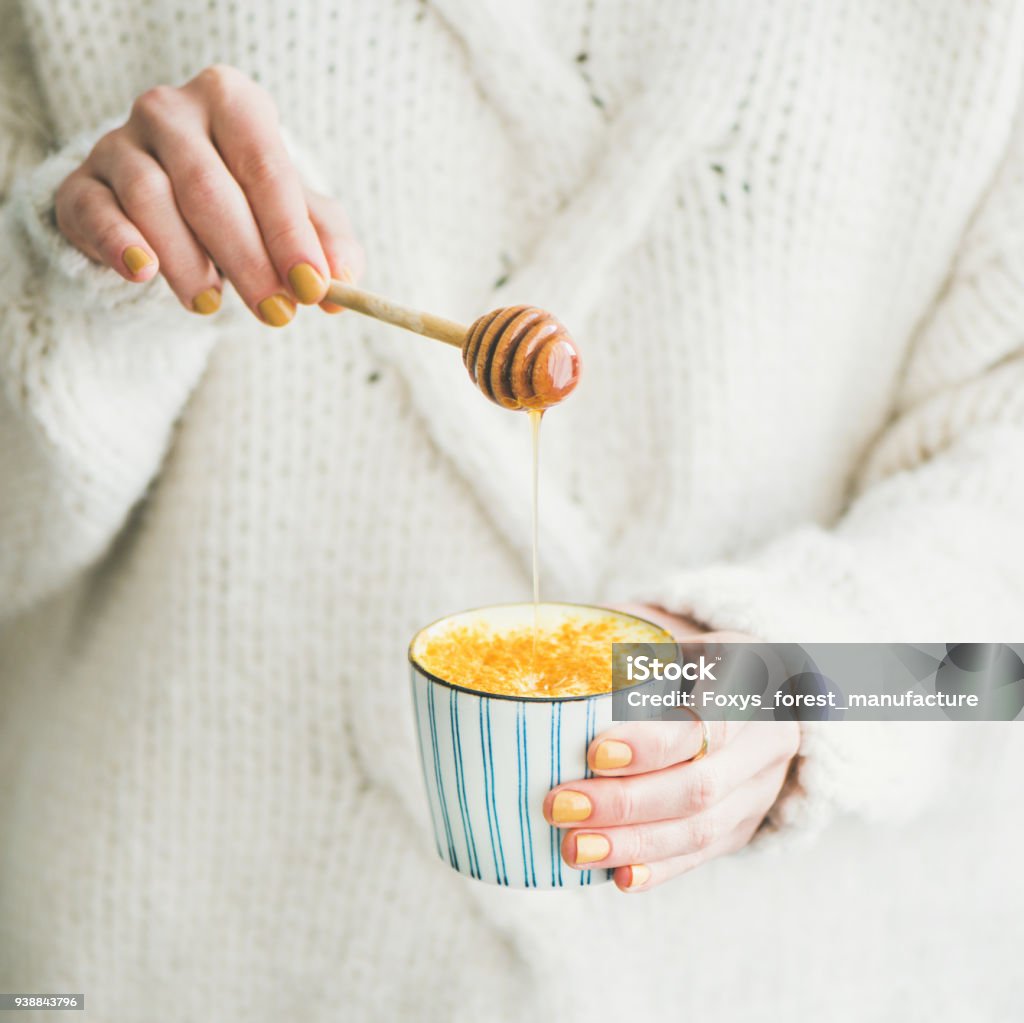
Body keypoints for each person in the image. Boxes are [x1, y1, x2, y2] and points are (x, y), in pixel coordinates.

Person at [1, 1, 1021, 1020]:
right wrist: (80, 290)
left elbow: (993, 665)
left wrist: (809, 685)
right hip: (158, 961)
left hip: (818, 980)